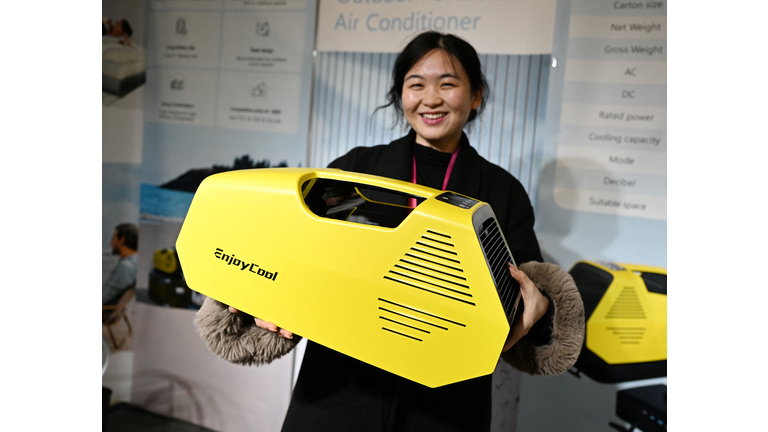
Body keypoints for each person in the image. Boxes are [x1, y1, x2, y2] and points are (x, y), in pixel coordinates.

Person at [195, 31, 584, 431]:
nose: (430, 99)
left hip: (447, 402)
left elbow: (528, 284)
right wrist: (266, 297)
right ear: (401, 95)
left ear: (477, 95)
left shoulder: (502, 191)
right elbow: (298, 251)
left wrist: (540, 310)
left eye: (447, 84)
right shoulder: (355, 170)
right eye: (416, 84)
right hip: (339, 390)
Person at [103, 223, 138, 305]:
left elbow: (104, 296)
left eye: (113, 239)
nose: (111, 243)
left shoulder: (125, 267)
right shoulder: (135, 262)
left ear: (122, 240)